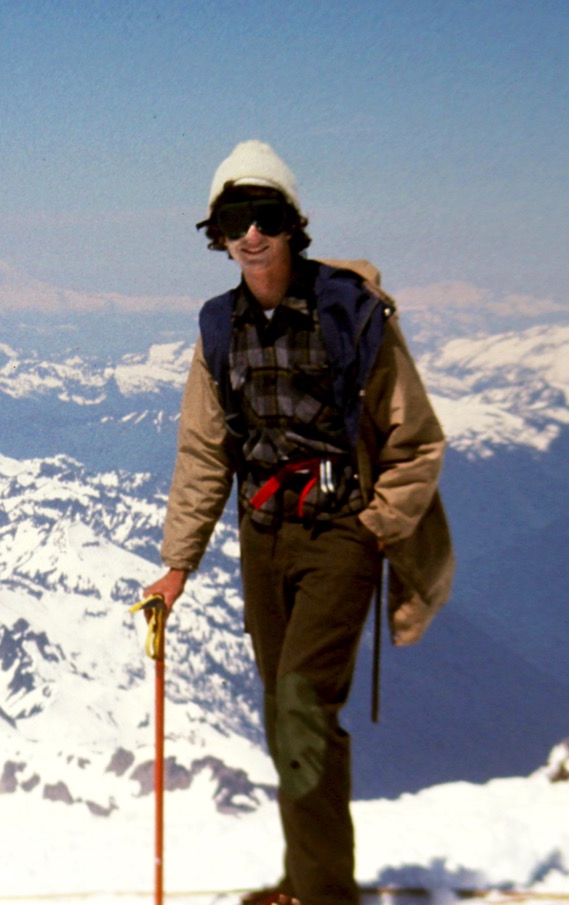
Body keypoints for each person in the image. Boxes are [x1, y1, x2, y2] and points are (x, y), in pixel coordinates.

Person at [145, 140, 454, 905]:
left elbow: (415, 439)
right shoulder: (220, 329)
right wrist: (177, 565)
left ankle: (322, 896)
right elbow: (205, 449)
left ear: (294, 225)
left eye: (267, 216)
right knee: (288, 718)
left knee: (300, 706)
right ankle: (310, 877)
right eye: (233, 220)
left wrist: (375, 527)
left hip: (341, 531)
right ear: (217, 235)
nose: (251, 234)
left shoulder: (351, 314)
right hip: (263, 537)